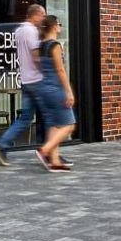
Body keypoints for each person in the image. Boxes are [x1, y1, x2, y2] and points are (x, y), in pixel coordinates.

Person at [0, 4, 49, 165]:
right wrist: (47, 70)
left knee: (25, 118)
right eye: (43, 15)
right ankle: (50, 152)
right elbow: (36, 56)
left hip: (25, 80)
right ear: (35, 15)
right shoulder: (31, 31)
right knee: (50, 116)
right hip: (37, 80)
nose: (44, 18)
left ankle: (2, 145)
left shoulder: (19, 31)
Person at [33, 15, 75, 170]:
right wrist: (69, 92)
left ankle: (55, 161)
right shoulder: (55, 45)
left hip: (44, 89)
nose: (60, 26)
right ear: (53, 26)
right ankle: (44, 150)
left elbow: (40, 66)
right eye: (59, 24)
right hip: (56, 90)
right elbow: (60, 70)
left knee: (54, 125)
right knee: (69, 126)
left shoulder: (42, 45)